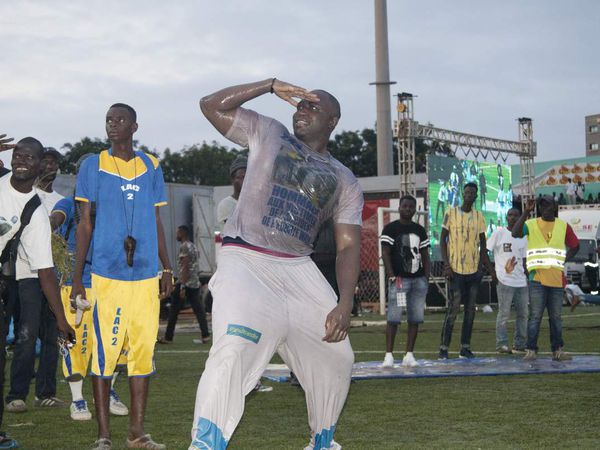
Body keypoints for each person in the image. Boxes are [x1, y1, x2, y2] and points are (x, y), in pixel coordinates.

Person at [190, 78, 363, 450]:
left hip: (298, 266)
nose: (301, 110)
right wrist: (268, 85)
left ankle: (322, 441)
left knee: (338, 355)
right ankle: (205, 444)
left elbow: (349, 244)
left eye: (312, 107)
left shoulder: (344, 179)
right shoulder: (269, 131)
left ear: (333, 121)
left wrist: (345, 301)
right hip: (246, 257)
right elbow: (211, 105)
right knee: (234, 347)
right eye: (300, 105)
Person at [71, 103, 173, 450]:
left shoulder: (152, 166)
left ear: (134, 127)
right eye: (109, 121)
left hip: (144, 276)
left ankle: (137, 433)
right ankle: (103, 436)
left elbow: (157, 221)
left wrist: (167, 266)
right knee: (104, 354)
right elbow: (85, 224)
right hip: (107, 274)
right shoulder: (92, 165)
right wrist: (76, 277)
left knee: (143, 353)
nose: (113, 126)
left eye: (120, 120)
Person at [0, 137, 73, 446]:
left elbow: (45, 271)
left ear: (40, 164)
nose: (21, 160)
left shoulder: (36, 213)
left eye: (29, 157)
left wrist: (61, 319)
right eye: (18, 154)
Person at [50, 154, 129, 421]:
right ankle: (78, 399)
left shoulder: (113, 205)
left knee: (115, 341)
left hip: (109, 282)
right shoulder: (69, 203)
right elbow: (57, 217)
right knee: (75, 343)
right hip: (77, 284)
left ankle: (108, 391)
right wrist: (49, 225)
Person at [512, 195, 579, 361]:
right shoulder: (531, 223)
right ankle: (531, 350)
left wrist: (564, 259)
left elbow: (575, 246)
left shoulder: (563, 226)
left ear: (554, 207)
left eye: (548, 205)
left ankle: (557, 350)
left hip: (556, 278)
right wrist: (526, 212)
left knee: (556, 318)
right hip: (537, 278)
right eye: (542, 206)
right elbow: (515, 233)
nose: (544, 208)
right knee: (535, 317)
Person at [439, 182, 497, 359]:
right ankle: (443, 348)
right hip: (455, 270)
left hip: (473, 271)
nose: (470, 194)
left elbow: (483, 244)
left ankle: (465, 347)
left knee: (470, 310)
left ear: (476, 196)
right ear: (463, 194)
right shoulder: (451, 212)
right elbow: (443, 240)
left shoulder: (479, 216)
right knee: (454, 309)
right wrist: (447, 265)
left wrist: (487, 269)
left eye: (473, 192)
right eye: (467, 192)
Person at [380, 195, 430, 368]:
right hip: (400, 280)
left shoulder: (420, 230)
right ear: (399, 208)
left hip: (417, 280)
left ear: (415, 209)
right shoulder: (390, 229)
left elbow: (425, 254)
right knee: (394, 317)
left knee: (415, 318)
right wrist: (391, 274)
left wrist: (426, 277)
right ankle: (389, 355)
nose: (408, 209)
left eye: (411, 206)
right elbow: (385, 253)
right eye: (405, 206)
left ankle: (409, 354)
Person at [159, 225, 210, 344]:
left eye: (178, 233)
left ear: (182, 233)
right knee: (199, 311)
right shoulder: (193, 246)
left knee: (173, 311)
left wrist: (182, 286)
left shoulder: (184, 247)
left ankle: (168, 337)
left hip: (186, 284)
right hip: (194, 283)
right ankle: (205, 335)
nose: (176, 235)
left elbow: (185, 266)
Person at [487, 208, 528, 353]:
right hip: (504, 281)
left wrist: (527, 276)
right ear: (506, 217)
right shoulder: (499, 233)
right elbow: (485, 251)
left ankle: (520, 344)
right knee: (504, 314)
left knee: (523, 314)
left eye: (515, 215)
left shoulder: (523, 236)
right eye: (510, 215)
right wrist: (493, 273)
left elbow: (524, 259)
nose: (512, 218)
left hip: (521, 281)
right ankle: (502, 344)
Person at [216, 155, 246, 231]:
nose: (245, 181)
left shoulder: (257, 204)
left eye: (247, 177)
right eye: (240, 177)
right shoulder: (226, 204)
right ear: (232, 180)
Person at [38, 147, 65, 213]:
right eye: (45, 162)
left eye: (53, 162)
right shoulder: (26, 193)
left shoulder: (61, 201)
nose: (49, 166)